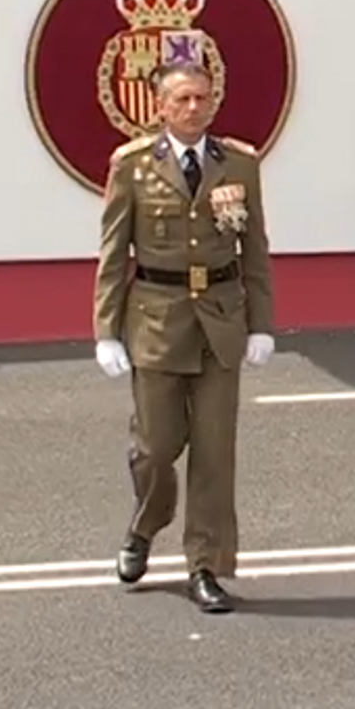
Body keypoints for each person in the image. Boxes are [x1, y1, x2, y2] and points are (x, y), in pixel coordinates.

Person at [92, 62, 276, 614]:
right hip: (155, 319)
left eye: (203, 97)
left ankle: (207, 566)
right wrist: (106, 331)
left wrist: (262, 323)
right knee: (155, 448)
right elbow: (112, 254)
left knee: (216, 454)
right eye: (183, 99)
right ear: (161, 107)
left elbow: (256, 249)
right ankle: (146, 524)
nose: (195, 107)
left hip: (220, 320)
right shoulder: (133, 166)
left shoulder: (239, 163)